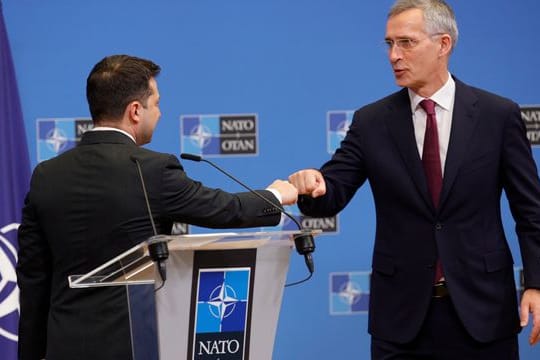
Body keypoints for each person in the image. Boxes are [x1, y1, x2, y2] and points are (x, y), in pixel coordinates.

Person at [289, 0, 540, 358]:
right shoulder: (371, 122)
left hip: (484, 312)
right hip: (401, 320)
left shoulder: (498, 115)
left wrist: (536, 283)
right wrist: (315, 185)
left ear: (443, 45)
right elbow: (333, 189)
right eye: (389, 44)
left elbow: (530, 210)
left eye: (406, 42)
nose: (394, 55)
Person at [16, 54, 298, 360]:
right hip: (137, 346)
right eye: (157, 103)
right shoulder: (153, 170)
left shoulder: (45, 176)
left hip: (64, 347)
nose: (161, 113)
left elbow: (33, 280)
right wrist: (276, 195)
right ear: (135, 111)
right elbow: (225, 209)